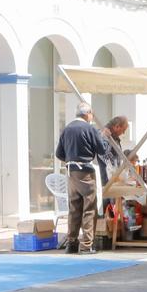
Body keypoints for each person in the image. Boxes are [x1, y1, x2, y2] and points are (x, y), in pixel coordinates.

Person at [55, 105, 115, 255]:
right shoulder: (89, 129)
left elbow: (59, 153)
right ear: (87, 114)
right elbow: (102, 150)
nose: (92, 117)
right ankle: (87, 244)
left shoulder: (67, 129)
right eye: (91, 114)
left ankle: (72, 243)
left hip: (71, 172)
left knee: (74, 208)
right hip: (86, 172)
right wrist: (105, 137)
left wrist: (71, 160)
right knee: (89, 208)